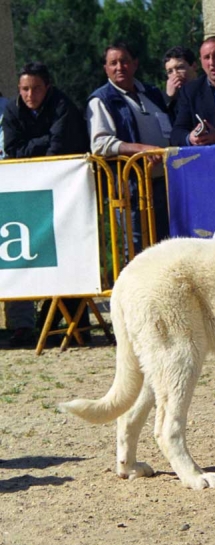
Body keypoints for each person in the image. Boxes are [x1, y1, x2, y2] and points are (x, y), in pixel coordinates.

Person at [2, 62, 91, 348]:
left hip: (67, 193)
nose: (30, 94)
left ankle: (78, 325)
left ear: (48, 87)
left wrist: (37, 145)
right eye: (25, 89)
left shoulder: (63, 105)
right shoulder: (12, 110)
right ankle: (29, 325)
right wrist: (43, 140)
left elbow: (60, 146)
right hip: (27, 194)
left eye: (36, 88)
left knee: (70, 251)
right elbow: (14, 151)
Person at [87, 41, 172, 245]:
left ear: (135, 63)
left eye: (124, 61)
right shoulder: (101, 100)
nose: (119, 67)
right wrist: (141, 150)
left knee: (168, 245)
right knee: (137, 249)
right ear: (105, 68)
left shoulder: (153, 93)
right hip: (132, 190)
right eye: (113, 63)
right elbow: (100, 144)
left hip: (165, 186)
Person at [162, 46, 198, 122]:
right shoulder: (167, 100)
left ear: (194, 66)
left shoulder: (206, 90)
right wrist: (169, 98)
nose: (175, 74)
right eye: (170, 72)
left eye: (180, 68)